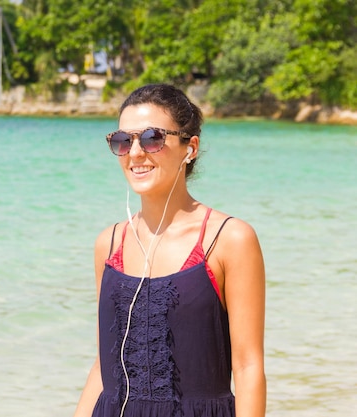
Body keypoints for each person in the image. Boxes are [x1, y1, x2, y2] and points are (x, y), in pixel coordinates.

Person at [73, 84, 266, 417]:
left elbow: (248, 366)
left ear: (189, 147)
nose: (135, 153)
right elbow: (102, 367)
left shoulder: (229, 239)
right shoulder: (110, 243)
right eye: (122, 141)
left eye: (152, 138)